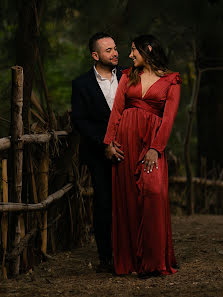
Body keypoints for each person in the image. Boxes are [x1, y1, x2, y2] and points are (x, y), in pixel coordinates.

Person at [104, 34, 180, 276]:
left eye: (133, 50)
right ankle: (131, 262)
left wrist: (156, 148)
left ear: (147, 49)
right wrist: (109, 143)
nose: (129, 55)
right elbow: (117, 110)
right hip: (125, 141)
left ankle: (153, 261)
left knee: (153, 192)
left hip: (151, 143)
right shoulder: (128, 75)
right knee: (127, 199)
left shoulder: (172, 80)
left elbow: (168, 120)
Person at [71, 32, 125, 272]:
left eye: (115, 48)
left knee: (129, 203)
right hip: (99, 153)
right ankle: (107, 259)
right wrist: (106, 145)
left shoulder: (128, 76)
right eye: (108, 50)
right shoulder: (81, 84)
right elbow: (81, 121)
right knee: (104, 204)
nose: (114, 53)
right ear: (95, 55)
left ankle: (132, 255)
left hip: (129, 150)